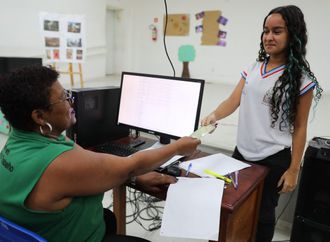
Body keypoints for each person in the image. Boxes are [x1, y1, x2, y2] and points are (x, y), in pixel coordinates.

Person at [0, 66, 200, 242]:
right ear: (39, 116)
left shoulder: (20, 137)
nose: (70, 103)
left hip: (40, 231)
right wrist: (177, 148)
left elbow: (105, 165)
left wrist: (131, 175)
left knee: (108, 218)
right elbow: (131, 165)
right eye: (63, 98)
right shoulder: (57, 163)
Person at [201, 5, 322, 242]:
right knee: (230, 207)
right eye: (266, 31)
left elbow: (300, 127)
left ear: (293, 34)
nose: (268, 37)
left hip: (274, 159)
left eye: (277, 31)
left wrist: (294, 169)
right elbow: (233, 100)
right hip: (241, 153)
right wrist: (214, 115)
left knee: (263, 216)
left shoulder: (302, 80)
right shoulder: (254, 67)